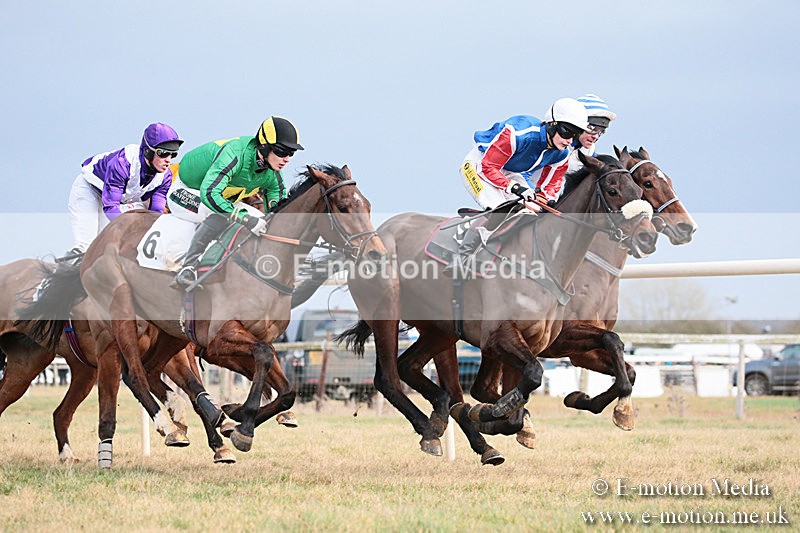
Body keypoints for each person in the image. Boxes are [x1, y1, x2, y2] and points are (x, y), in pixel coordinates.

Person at [448, 97, 589, 275]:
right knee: (499, 208)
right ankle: (461, 256)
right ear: (552, 124)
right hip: (479, 166)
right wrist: (513, 188)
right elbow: (488, 167)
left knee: (531, 211)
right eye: (567, 133)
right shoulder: (519, 135)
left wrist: (544, 200)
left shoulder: (561, 155)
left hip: (510, 172)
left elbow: (550, 187)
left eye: (575, 136)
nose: (570, 141)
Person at [168, 116, 303, 290]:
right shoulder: (234, 155)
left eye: (291, 153)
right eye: (282, 152)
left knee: (259, 218)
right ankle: (188, 268)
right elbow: (209, 194)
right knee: (220, 214)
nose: (287, 159)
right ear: (264, 146)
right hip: (186, 189)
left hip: (222, 196)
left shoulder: (273, 174)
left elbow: (275, 217)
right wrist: (245, 219)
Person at [66, 123, 183, 257]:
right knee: (86, 246)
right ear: (147, 151)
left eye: (173, 155)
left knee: (103, 249)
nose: (168, 160)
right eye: (163, 153)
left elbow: (155, 213)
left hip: (118, 202)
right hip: (89, 191)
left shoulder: (165, 176)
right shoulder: (122, 163)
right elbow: (110, 207)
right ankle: (57, 274)